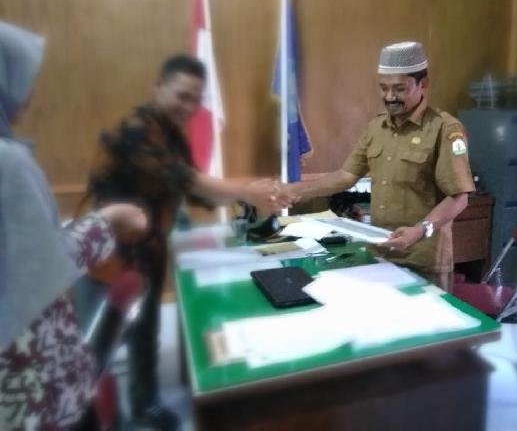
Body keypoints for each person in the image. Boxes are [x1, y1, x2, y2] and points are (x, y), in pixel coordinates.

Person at [78, 54, 293, 429]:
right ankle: (82, 417)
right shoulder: (138, 130)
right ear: (158, 87)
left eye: (196, 99)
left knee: (145, 332)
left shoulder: (173, 135)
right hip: (109, 258)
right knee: (97, 345)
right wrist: (248, 189)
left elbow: (196, 194)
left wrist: (249, 195)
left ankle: (144, 405)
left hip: (148, 252)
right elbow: (187, 180)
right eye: (182, 96)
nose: (189, 107)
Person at [0, 20, 147, 430]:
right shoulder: (8, 163)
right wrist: (108, 221)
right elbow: (42, 263)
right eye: (22, 79)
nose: (30, 93)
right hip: (32, 379)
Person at [283, 41, 475, 292]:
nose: (389, 97)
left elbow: (459, 197)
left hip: (423, 261)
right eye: (384, 88)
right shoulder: (376, 127)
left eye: (399, 89)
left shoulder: (444, 129)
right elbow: (346, 175)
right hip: (381, 255)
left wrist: (420, 231)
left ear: (423, 84)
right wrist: (293, 190)